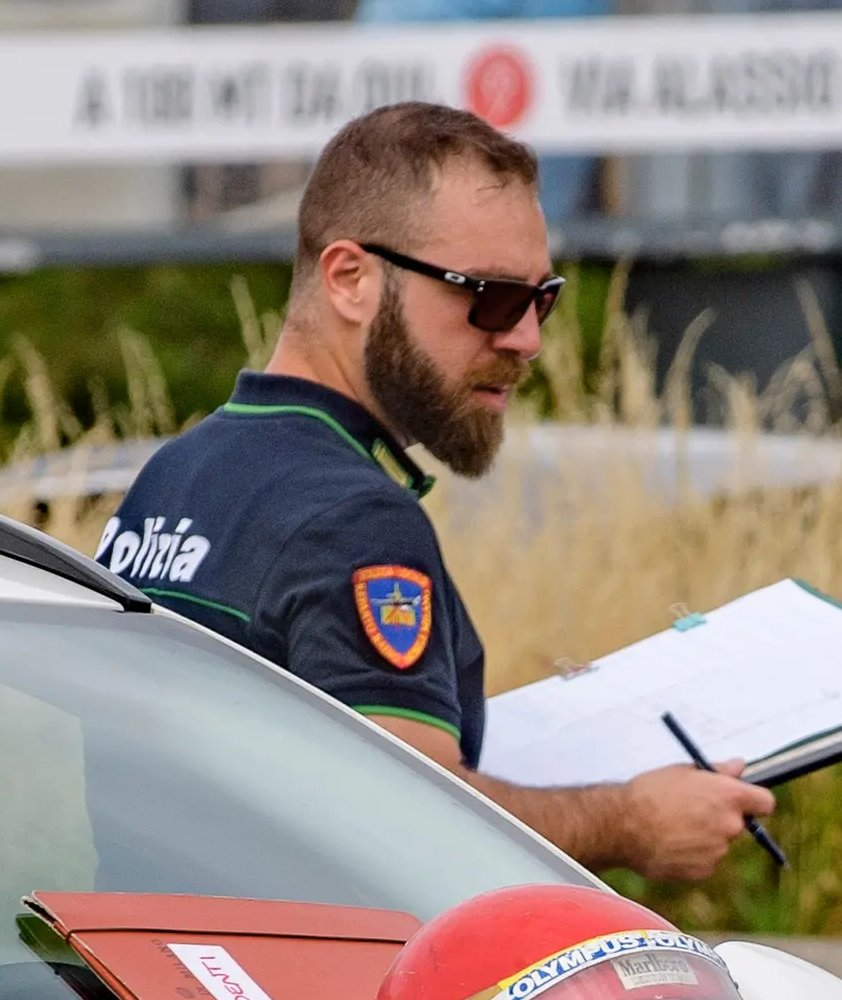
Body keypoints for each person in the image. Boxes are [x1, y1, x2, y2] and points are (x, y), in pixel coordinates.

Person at [96, 100, 775, 888]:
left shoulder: (172, 476)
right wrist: (629, 821)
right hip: (287, 998)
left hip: (152, 981)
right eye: (488, 297)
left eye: (539, 297)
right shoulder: (355, 518)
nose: (526, 338)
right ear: (350, 279)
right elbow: (409, 815)